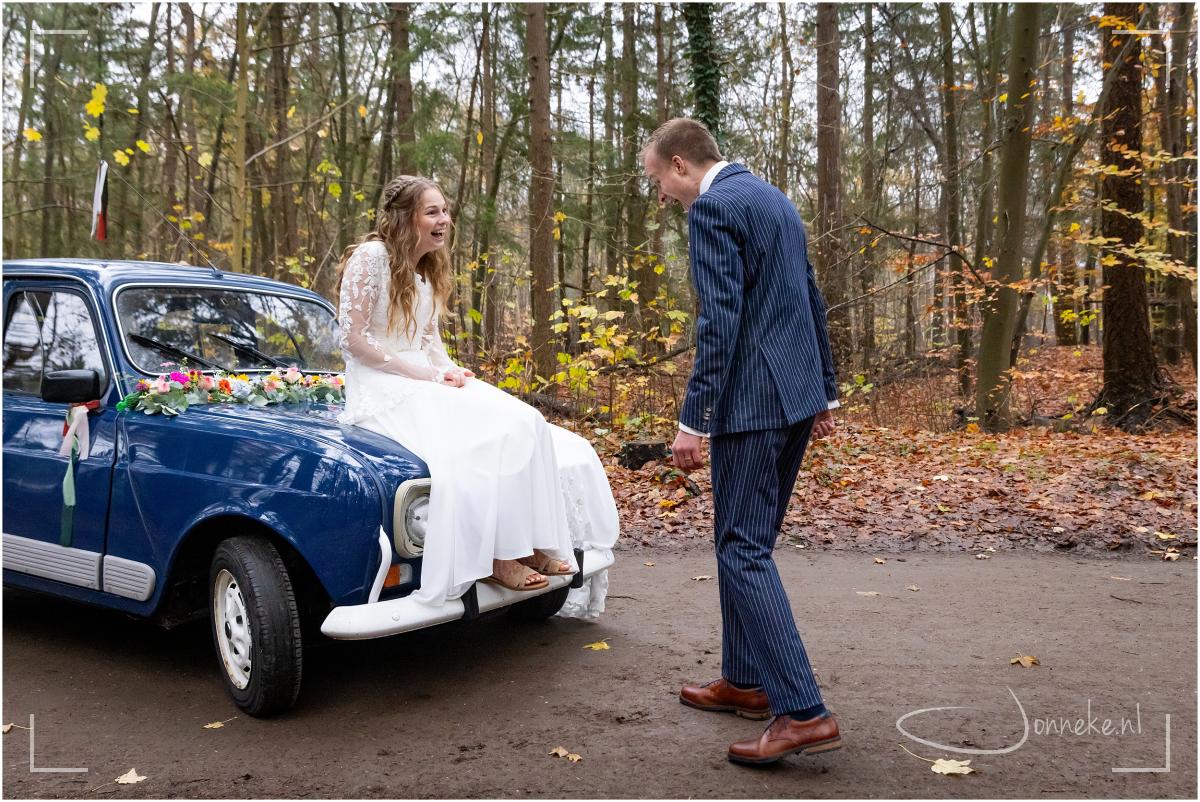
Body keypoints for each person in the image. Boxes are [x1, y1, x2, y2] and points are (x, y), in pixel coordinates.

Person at [641, 118, 843, 765]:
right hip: (795, 396)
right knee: (743, 536)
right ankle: (746, 680)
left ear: (679, 164)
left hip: (752, 405)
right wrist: (826, 391)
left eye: (659, 183)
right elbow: (809, 296)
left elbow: (720, 323)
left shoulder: (713, 210)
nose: (664, 198)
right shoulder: (772, 198)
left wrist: (692, 419)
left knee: (741, 548)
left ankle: (803, 711)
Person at [335, 175, 618, 615]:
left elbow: (430, 344)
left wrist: (449, 369)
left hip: (422, 376)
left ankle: (533, 544)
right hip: (380, 384)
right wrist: (421, 373)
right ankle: (494, 558)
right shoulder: (371, 258)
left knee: (525, 422)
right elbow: (352, 339)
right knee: (477, 443)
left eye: (445, 211)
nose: (444, 220)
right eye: (432, 212)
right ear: (404, 218)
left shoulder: (425, 273)